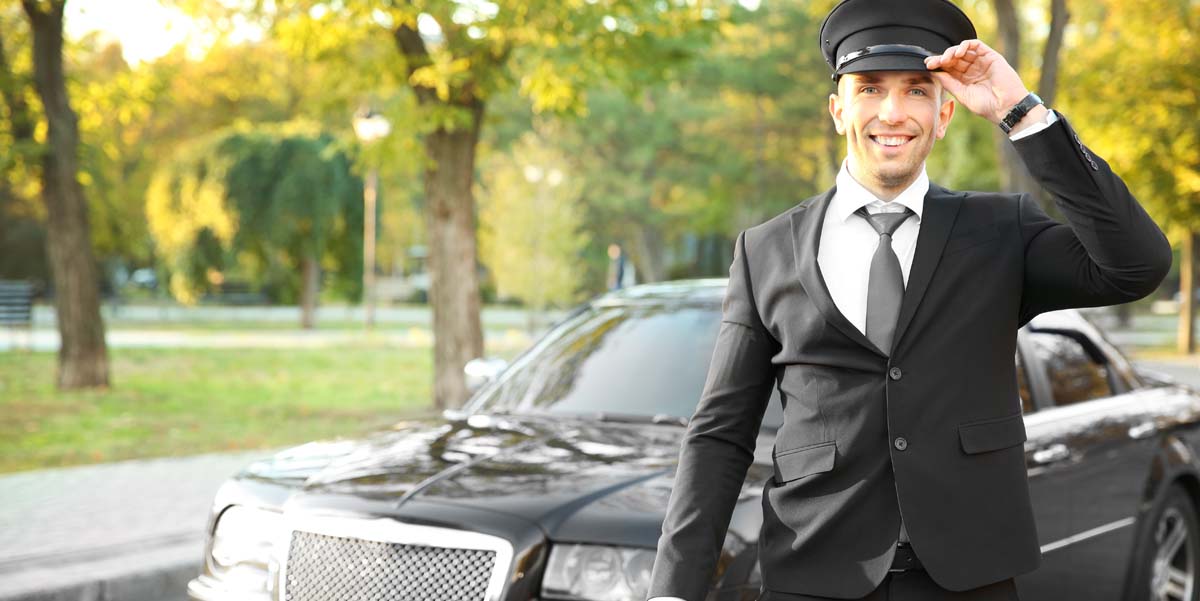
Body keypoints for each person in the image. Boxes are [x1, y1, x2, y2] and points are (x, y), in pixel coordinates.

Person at [645, 0, 1173, 600]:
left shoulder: (1001, 231)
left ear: (945, 112)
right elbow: (721, 432)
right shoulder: (765, 250)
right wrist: (674, 588)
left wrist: (1019, 111)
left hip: (968, 578)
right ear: (838, 108)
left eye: (917, 91)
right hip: (813, 575)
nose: (892, 112)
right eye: (870, 88)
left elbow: (1137, 264)